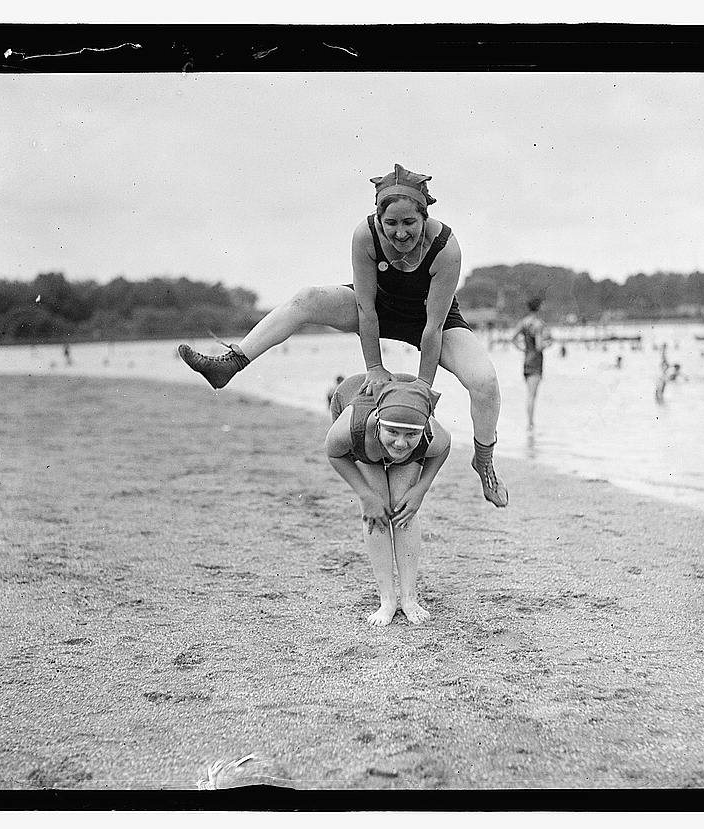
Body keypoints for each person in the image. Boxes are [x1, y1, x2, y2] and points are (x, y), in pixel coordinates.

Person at [177, 163, 507, 508]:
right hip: (378, 307)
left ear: (424, 217)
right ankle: (231, 363)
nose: (400, 233)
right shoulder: (365, 235)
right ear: (378, 219)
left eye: (409, 222)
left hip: (431, 318)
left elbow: (433, 327)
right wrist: (376, 369)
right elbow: (366, 309)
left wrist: (424, 385)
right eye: (390, 223)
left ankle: (484, 459)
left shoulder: (445, 246)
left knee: (485, 382)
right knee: (307, 299)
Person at [325, 373, 450, 626]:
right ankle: (387, 600)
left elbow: (444, 449)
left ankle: (409, 598)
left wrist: (421, 490)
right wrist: (365, 495)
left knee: (403, 505)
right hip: (361, 425)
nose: (401, 443)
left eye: (410, 436)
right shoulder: (353, 427)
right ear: (380, 423)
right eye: (393, 432)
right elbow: (334, 453)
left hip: (408, 399)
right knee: (376, 508)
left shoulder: (430, 433)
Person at [510, 297, 550, 431]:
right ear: (538, 308)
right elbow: (539, 346)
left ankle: (530, 423)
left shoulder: (524, 322)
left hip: (526, 361)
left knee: (529, 394)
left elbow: (513, 339)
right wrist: (548, 344)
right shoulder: (538, 324)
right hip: (536, 362)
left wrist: (523, 349)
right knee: (532, 395)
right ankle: (530, 424)